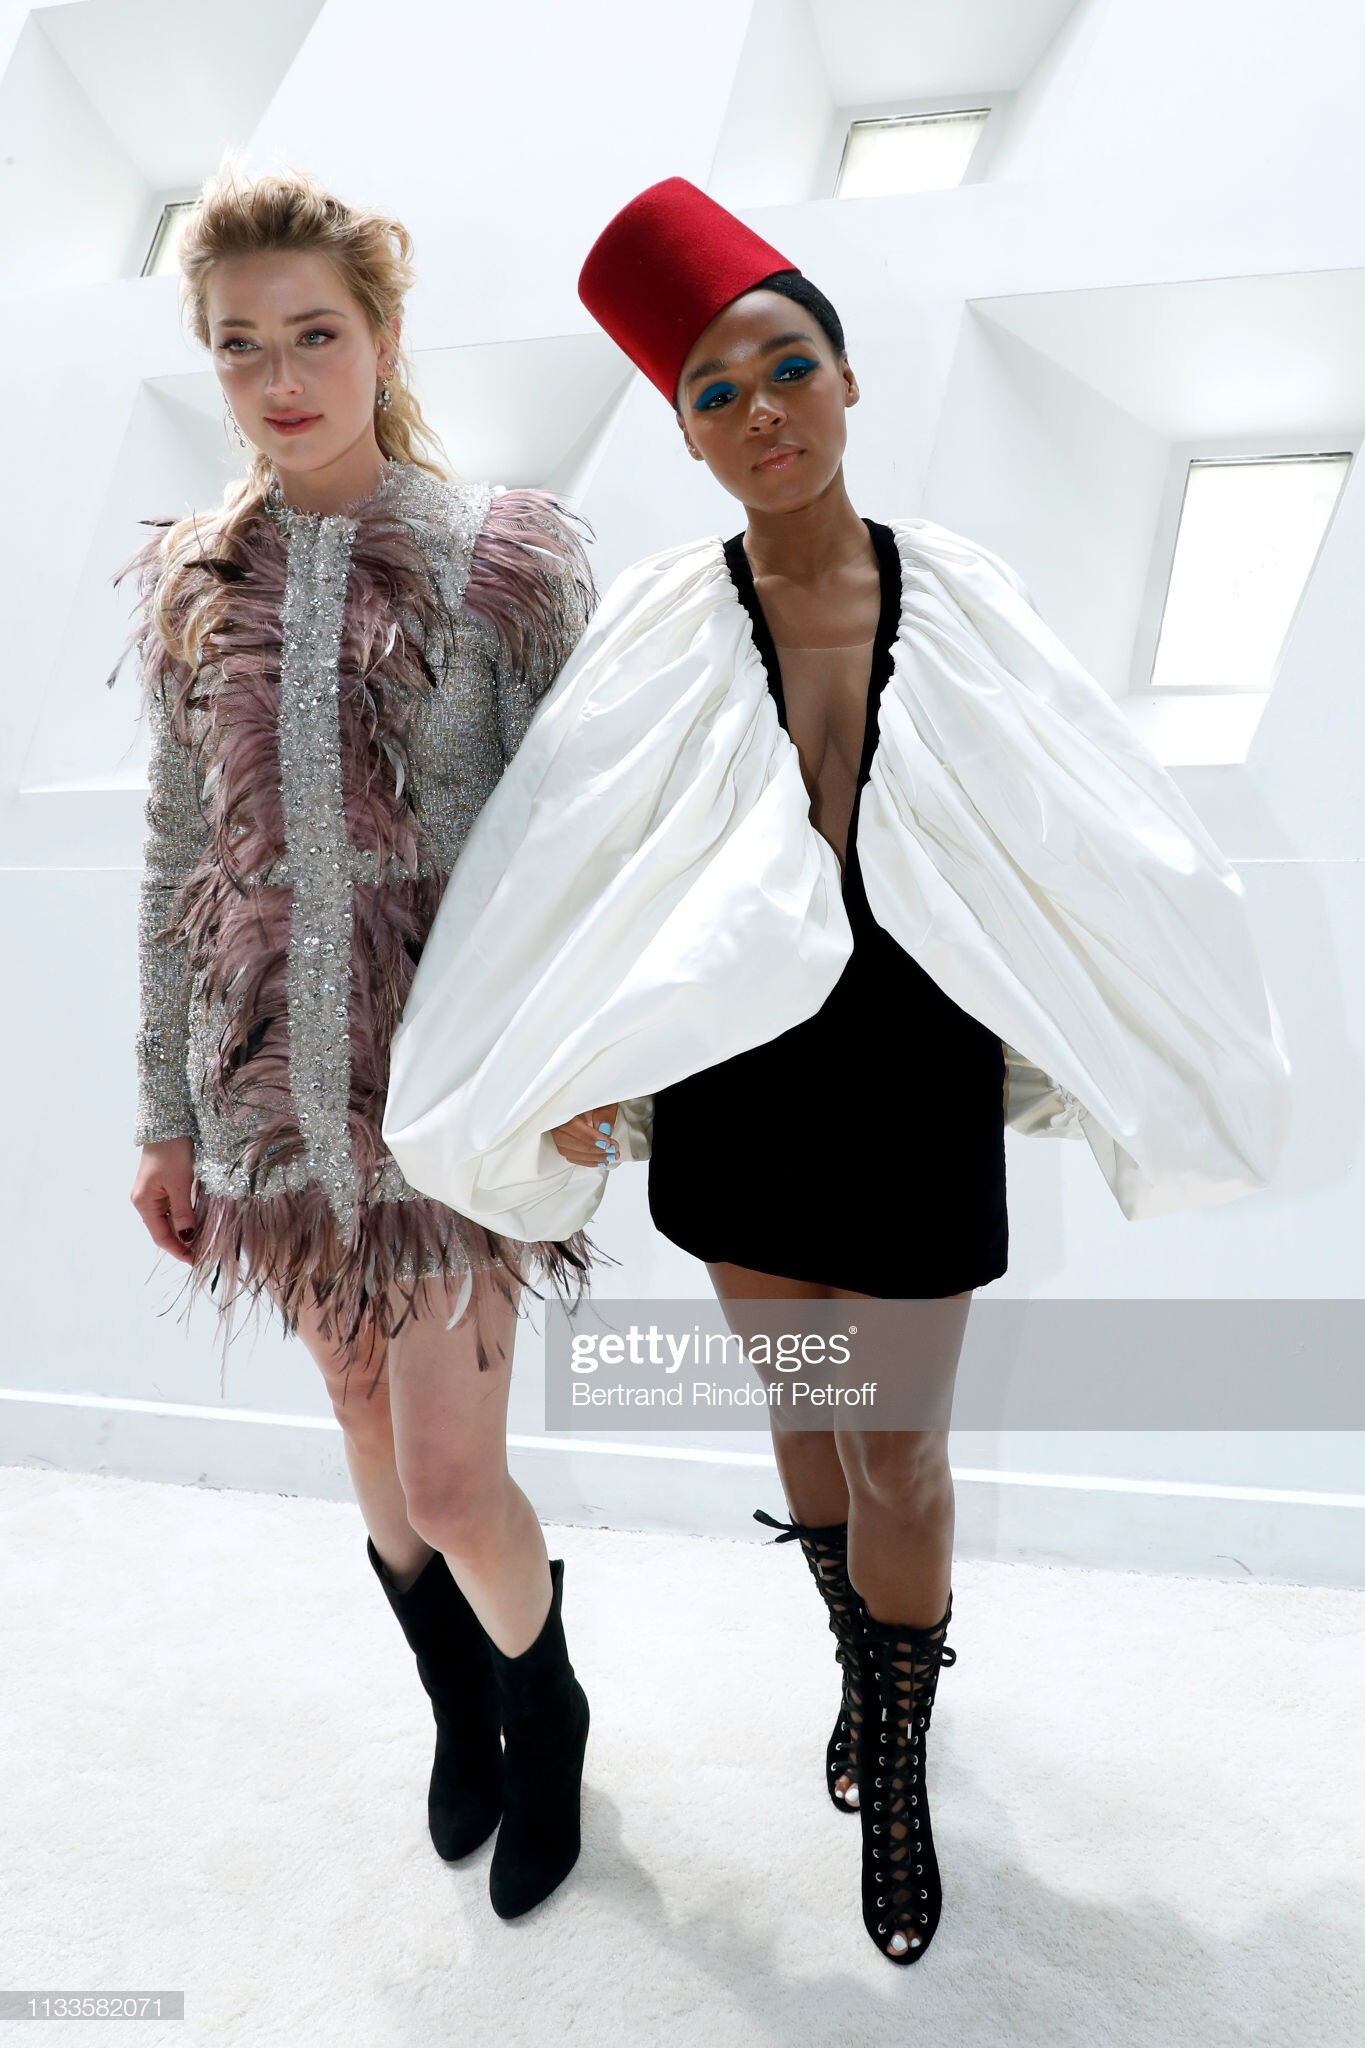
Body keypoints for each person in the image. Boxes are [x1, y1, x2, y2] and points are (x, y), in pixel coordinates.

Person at [380, 177, 1292, 1962]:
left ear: (850, 379)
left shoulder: (961, 591)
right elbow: (576, 858)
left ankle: (902, 1748)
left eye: (788, 366)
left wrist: (1101, 1023)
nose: (761, 411)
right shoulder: (666, 616)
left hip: (910, 1076)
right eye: (714, 393)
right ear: (685, 433)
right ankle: (859, 1681)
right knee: (804, 1411)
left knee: (903, 1451)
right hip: (738, 1085)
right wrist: (585, 1065)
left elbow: (1084, 819)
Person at [111, 159, 600, 1921]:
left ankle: (545, 1718)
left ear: (383, 335)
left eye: (314, 333)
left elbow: (576, 845)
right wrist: (164, 1116)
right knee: (353, 1413)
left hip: (454, 1087)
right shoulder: (198, 577)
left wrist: (583, 1085)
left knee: (453, 1477)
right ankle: (455, 1706)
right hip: (267, 1085)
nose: (280, 376)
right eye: (241, 345)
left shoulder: (500, 559)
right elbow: (177, 855)